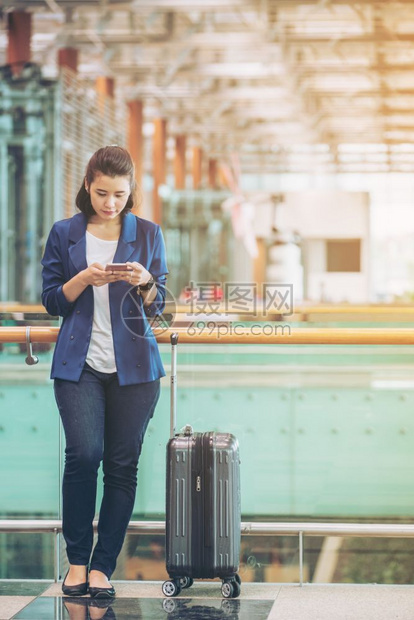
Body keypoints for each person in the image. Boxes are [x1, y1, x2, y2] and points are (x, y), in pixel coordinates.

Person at [41, 146, 168, 599]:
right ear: (87, 184)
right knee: (82, 454)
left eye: (118, 194)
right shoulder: (64, 233)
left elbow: (163, 309)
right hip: (79, 366)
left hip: (136, 369)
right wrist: (83, 280)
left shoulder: (148, 234)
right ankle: (76, 562)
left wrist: (146, 283)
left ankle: (101, 567)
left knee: (121, 465)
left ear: (131, 190)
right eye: (101, 193)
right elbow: (52, 299)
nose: (109, 203)